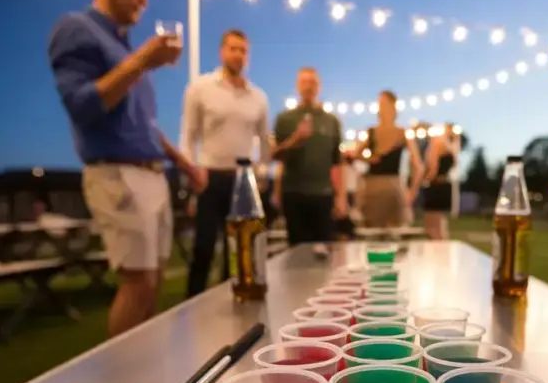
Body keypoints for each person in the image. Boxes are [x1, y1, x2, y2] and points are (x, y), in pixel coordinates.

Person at [48, 0, 205, 338]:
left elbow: (146, 126)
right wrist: (141, 62)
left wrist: (185, 164)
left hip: (152, 174)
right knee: (139, 284)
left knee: (155, 282)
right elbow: (82, 105)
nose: (144, 0)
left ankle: (148, 375)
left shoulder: (123, 46)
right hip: (117, 173)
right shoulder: (76, 28)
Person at [179, 29, 270, 297]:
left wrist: (261, 174)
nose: (238, 55)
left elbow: (264, 142)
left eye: (243, 50)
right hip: (210, 176)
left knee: (242, 246)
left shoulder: (258, 97)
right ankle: (192, 302)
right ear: (222, 52)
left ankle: (231, 299)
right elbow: (188, 135)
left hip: (243, 180)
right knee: (204, 246)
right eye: (233, 48)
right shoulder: (201, 89)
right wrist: (192, 172)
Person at [272, 67, 348, 257]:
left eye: (312, 82)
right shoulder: (285, 120)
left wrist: (341, 197)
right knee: (297, 253)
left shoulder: (331, 121)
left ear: (319, 87)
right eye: (304, 82)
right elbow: (275, 156)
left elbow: (337, 162)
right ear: (297, 86)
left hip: (322, 194)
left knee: (324, 251)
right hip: (293, 193)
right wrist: (295, 140)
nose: (308, 87)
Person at [351, 91, 424, 231]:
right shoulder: (370, 132)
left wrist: (411, 193)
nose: (381, 107)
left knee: (396, 235)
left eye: (384, 104)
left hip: (394, 189)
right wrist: (370, 159)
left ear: (393, 107)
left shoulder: (402, 133)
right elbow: (355, 155)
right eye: (380, 104)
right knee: (372, 234)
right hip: (371, 190)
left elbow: (418, 166)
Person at [421, 123, 459, 240]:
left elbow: (432, 169)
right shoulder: (450, 149)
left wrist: (424, 180)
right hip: (445, 186)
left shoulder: (436, 146)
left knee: (431, 225)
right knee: (440, 223)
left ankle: (438, 254)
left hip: (435, 187)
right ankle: (443, 252)